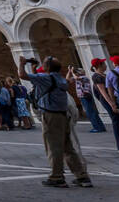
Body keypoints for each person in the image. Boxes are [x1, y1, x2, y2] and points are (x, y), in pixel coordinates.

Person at [19, 56, 92, 188]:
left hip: (51, 115)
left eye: (45, 63)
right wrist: (34, 70)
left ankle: (57, 177)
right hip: (63, 115)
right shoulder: (59, 78)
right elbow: (52, 82)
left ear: (47, 68)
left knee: (54, 147)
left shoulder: (46, 78)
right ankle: (82, 176)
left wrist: (22, 63)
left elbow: (22, 75)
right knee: (68, 147)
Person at [91, 58, 119, 154]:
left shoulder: (104, 75)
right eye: (103, 63)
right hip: (108, 100)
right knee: (117, 121)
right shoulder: (97, 76)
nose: (106, 65)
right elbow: (103, 92)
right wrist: (112, 104)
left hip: (114, 99)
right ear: (99, 65)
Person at [72, 67, 105, 132]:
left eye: (77, 72)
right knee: (91, 112)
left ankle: (98, 128)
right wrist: (70, 71)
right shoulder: (79, 78)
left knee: (91, 113)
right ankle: (100, 127)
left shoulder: (84, 77)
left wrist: (72, 72)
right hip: (83, 97)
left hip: (86, 96)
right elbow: (68, 79)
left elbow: (76, 78)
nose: (76, 73)